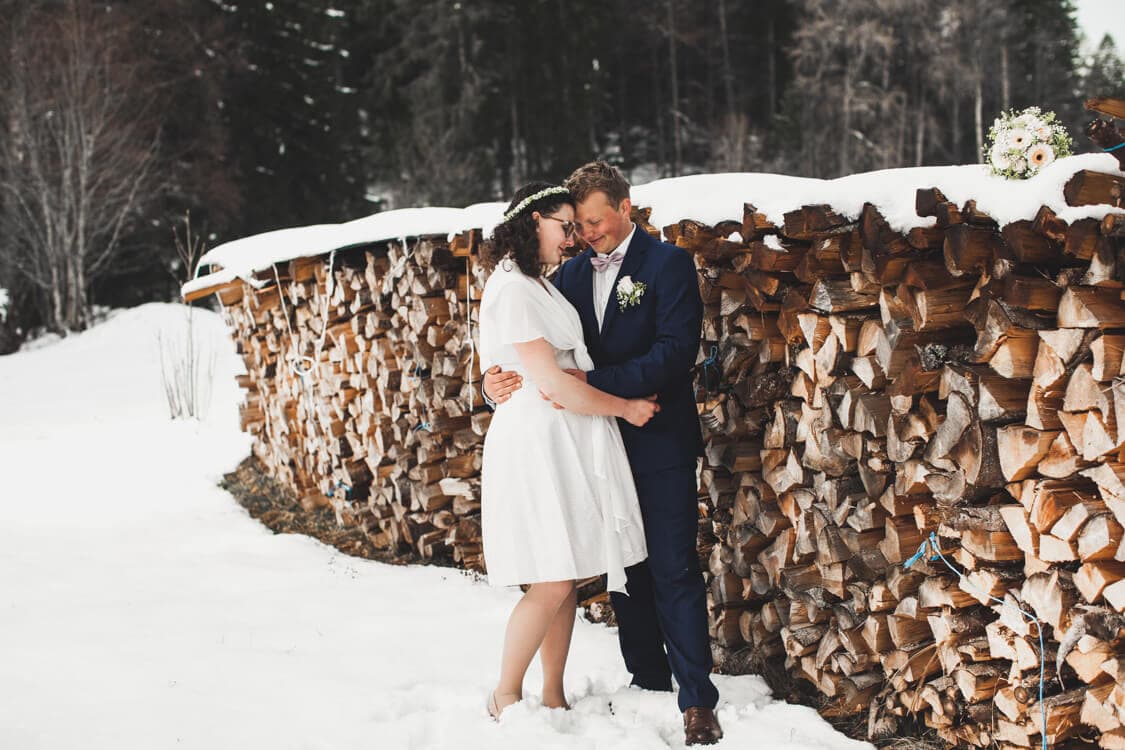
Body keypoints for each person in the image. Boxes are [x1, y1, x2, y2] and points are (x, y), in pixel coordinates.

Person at [483, 162, 722, 745]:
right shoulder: (557, 278)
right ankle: (646, 681)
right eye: (575, 225)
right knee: (624, 572)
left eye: (591, 222)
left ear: (626, 206)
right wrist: (492, 385)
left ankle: (696, 700)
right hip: (587, 443)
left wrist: (592, 386)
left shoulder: (667, 264)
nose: (585, 235)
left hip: (653, 434)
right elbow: (523, 353)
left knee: (672, 568)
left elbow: (673, 353)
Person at [478, 181, 659, 721]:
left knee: (563, 571)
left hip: (563, 437)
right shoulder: (512, 287)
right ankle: (506, 693)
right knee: (551, 576)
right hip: (537, 439)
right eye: (563, 226)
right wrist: (625, 408)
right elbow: (552, 383)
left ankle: (552, 694)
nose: (573, 238)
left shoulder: (541, 284)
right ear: (532, 221)